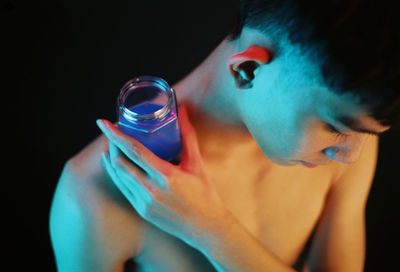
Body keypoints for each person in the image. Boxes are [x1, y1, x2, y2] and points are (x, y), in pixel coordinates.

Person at [49, 0, 399, 271]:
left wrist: (212, 231)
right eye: (337, 127)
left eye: (367, 133)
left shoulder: (349, 135)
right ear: (248, 69)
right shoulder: (93, 197)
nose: (353, 154)